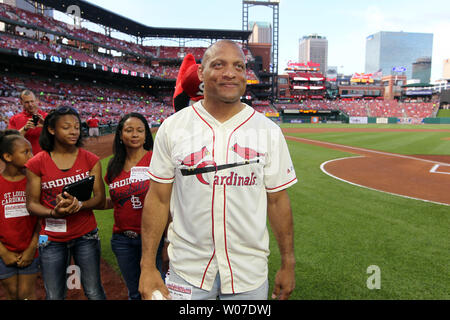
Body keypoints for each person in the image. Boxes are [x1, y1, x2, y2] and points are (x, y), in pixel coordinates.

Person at [139, 40, 297, 300]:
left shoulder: (268, 132)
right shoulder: (173, 127)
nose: (230, 73)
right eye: (218, 64)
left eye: (238, 66)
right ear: (201, 73)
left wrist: (288, 264)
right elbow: (157, 198)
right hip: (188, 271)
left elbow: (278, 201)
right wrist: (147, 266)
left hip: (248, 274)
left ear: (246, 75)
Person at [25, 106, 106, 300]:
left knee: (94, 291)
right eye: (67, 127)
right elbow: (32, 204)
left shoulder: (90, 159)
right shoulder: (36, 163)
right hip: (49, 238)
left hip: (86, 235)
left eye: (77, 127)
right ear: (52, 129)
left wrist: (79, 205)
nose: (74, 131)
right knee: (53, 295)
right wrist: (54, 213)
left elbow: (100, 199)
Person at [103, 113, 166, 300]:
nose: (135, 134)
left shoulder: (156, 160)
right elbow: (116, 199)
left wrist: (168, 240)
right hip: (122, 240)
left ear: (146, 135)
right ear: (120, 135)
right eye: (129, 130)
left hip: (152, 239)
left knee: (155, 292)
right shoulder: (114, 164)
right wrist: (82, 204)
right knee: (134, 292)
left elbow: (166, 200)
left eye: (140, 130)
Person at [0, 130, 39, 300]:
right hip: (3, 253)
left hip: (31, 251)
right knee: (12, 294)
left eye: (31, 151)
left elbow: (43, 222)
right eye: (26, 152)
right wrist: (3, 252)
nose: (32, 155)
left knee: (26, 294)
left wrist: (33, 248)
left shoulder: (35, 182)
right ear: (8, 157)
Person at [8, 90, 47, 155]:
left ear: (37, 100)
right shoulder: (14, 119)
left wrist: (46, 126)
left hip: (42, 158)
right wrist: (25, 128)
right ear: (21, 102)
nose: (30, 105)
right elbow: (10, 140)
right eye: (27, 102)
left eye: (32, 101)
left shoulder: (47, 117)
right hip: (22, 159)